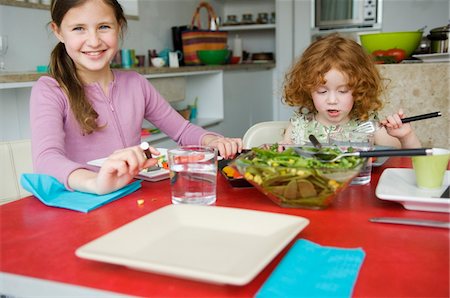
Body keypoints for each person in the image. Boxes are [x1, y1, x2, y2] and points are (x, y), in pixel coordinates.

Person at [30, 0, 242, 195]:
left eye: (104, 26)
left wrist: (213, 140)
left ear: (119, 26)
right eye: (78, 28)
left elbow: (182, 130)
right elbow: (46, 159)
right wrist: (96, 183)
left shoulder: (136, 83)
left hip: (131, 195)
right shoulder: (50, 90)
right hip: (79, 202)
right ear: (58, 32)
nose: (93, 41)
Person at [281, 34, 421, 149]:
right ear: (307, 88)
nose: (332, 100)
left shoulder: (369, 126)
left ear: (360, 89)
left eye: (343, 91)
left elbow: (406, 159)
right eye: (322, 91)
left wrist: (406, 136)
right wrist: (282, 153)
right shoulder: (299, 127)